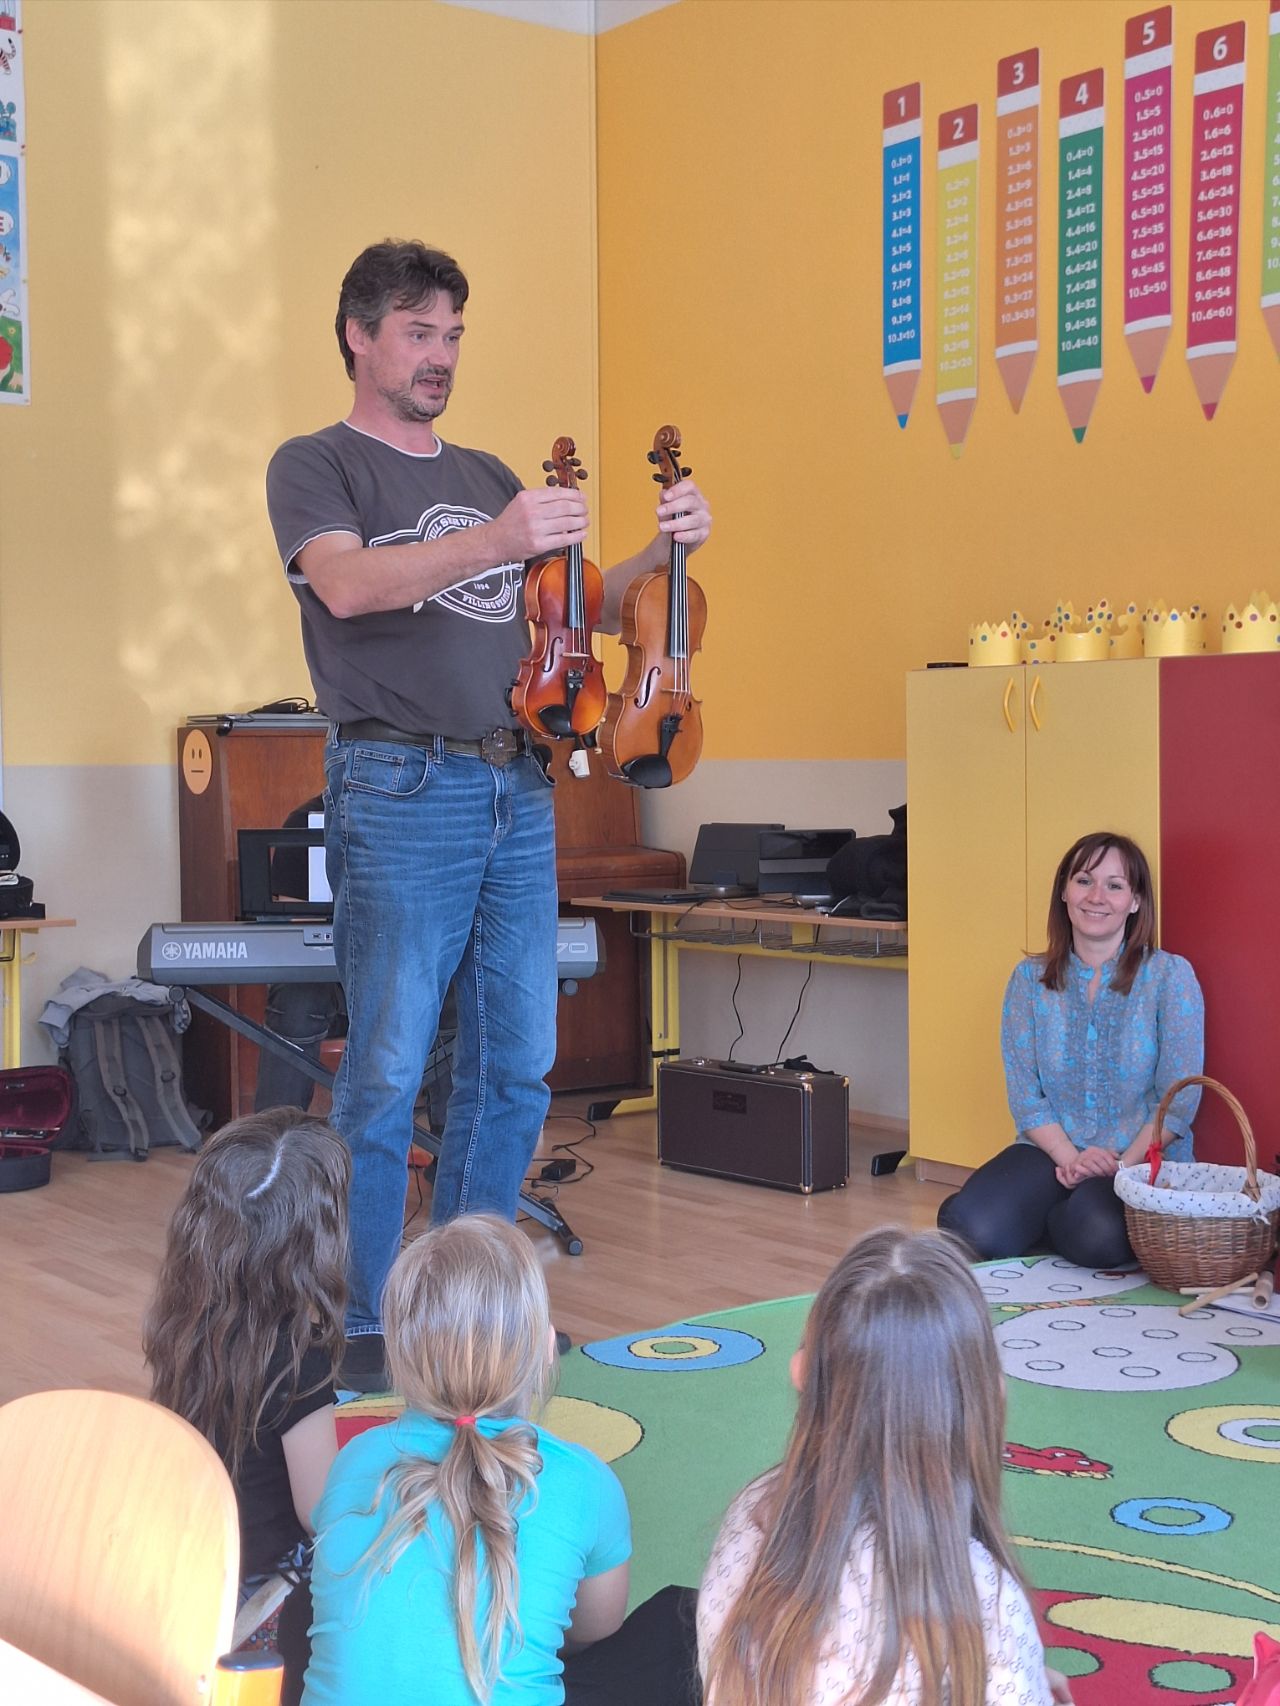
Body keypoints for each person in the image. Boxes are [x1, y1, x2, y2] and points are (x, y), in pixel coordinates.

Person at [265, 240, 713, 1389]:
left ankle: (460, 1320)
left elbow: (581, 607)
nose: (441, 355)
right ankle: (363, 1331)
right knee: (385, 1071)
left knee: (516, 1065)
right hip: (398, 786)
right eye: (418, 331)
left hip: (517, 782)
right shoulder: (316, 463)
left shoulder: (488, 472)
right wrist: (502, 536)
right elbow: (347, 584)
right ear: (358, 335)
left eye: (453, 334)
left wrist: (663, 546)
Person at [302, 1213, 701, 1706]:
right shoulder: (586, 1481)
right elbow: (596, 1629)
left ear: (399, 1358)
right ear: (546, 1348)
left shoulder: (353, 1459)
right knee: (685, 1623)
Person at [697, 1228, 1069, 1706]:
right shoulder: (985, 1599)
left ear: (802, 1372)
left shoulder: (756, 1511)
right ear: (989, 1393)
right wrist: (1017, 1664)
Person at [143, 1109, 350, 1705]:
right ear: (318, 1240)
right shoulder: (298, 1359)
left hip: (194, 1560)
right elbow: (321, 1513)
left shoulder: (183, 1320)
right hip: (260, 1595)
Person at [937, 831, 1204, 1268]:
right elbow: (1026, 1096)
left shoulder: (1170, 978)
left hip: (1138, 1160)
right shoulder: (1028, 980)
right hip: (1050, 1153)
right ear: (1064, 892)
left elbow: (1178, 1102)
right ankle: (1038, 1212)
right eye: (1084, 881)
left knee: (1098, 1237)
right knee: (970, 1227)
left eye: (1114, 885)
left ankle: (1045, 1221)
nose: (1096, 896)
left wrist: (1121, 1166)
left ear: (1135, 901)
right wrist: (1072, 1159)